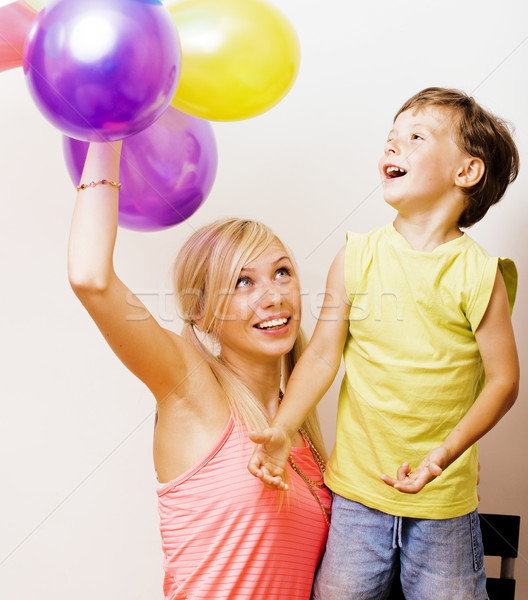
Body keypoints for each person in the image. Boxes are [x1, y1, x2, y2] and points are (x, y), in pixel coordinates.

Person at [248, 87, 520, 600]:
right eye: (391, 138)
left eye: (415, 137)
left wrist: (444, 455)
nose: (393, 147)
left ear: (467, 172)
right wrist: (283, 427)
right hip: (356, 495)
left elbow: (504, 382)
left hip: (443, 503)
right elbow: (324, 354)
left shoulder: (481, 275)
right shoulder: (355, 258)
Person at [67, 141, 331, 600]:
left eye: (282, 272)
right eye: (243, 282)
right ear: (203, 313)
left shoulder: (302, 428)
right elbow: (91, 278)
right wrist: (107, 127)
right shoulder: (193, 391)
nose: (273, 296)